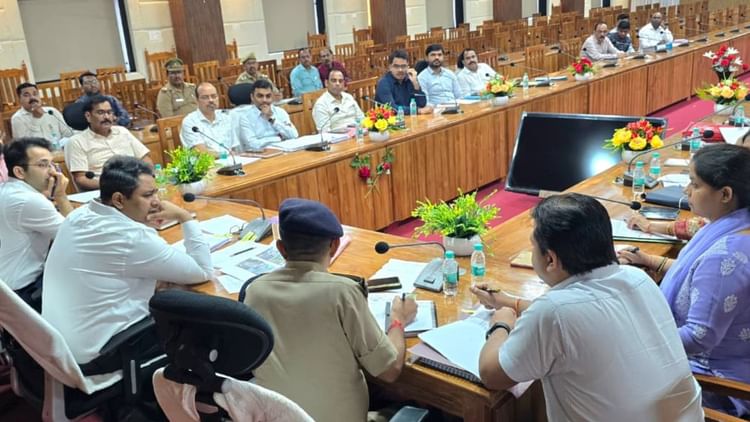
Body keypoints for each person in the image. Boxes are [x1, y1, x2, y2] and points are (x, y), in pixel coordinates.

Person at [472, 193, 704, 422]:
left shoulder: (554, 312)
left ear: (550, 259)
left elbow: (492, 375)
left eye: (533, 246)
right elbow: (584, 313)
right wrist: (510, 302)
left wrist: (501, 325)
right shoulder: (638, 278)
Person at [241, 198, 417, 421]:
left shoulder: (254, 291)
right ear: (334, 245)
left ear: (281, 248)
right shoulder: (342, 292)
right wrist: (398, 320)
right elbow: (389, 370)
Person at [42, 155, 214, 364]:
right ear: (118, 200)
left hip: (61, 348)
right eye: (148, 195)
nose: (157, 201)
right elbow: (203, 271)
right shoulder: (131, 237)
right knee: (205, 321)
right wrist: (184, 217)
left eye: (156, 192)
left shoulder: (79, 215)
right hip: (104, 353)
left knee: (169, 290)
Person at [618, 144, 750, 417]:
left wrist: (635, 340)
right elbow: (702, 279)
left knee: (601, 369)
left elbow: (699, 336)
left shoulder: (724, 255)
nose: (686, 191)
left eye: (695, 184)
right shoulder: (737, 227)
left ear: (725, 194)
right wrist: (650, 260)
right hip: (734, 359)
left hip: (715, 380)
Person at [0, 138, 72, 311]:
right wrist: (61, 196)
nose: (52, 172)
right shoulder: (28, 200)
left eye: (52, 164)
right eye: (43, 165)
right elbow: (75, 237)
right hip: (24, 291)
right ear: (19, 172)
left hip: (7, 284)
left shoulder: (7, 189)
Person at [65, 95, 152, 191]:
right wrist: (113, 185)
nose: (106, 117)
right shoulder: (76, 142)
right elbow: (81, 179)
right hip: (104, 190)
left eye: (109, 112)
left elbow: (145, 158)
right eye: (100, 112)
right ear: (88, 116)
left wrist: (146, 177)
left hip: (135, 185)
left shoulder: (122, 131)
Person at [238, 79, 298, 151]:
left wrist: (271, 119)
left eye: (268, 96)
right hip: (262, 154)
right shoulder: (245, 117)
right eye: (260, 96)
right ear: (252, 97)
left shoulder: (280, 112)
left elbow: (294, 135)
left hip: (284, 151)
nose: (264, 100)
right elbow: (253, 145)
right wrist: (278, 138)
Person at [180, 82, 238, 157]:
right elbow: (201, 153)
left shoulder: (226, 117)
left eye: (214, 96)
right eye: (205, 97)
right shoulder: (190, 122)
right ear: (197, 100)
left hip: (231, 160)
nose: (211, 100)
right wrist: (225, 155)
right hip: (207, 163)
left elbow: (234, 147)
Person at [10, 83, 73, 148]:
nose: (32, 97)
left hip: (60, 150)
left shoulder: (51, 111)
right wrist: (36, 118)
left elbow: (68, 133)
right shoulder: (17, 118)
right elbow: (23, 145)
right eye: (26, 95)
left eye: (35, 94)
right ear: (19, 99)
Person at [374, 49, 431, 115]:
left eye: (403, 66)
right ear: (390, 67)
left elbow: (422, 104)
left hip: (409, 118)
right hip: (391, 120)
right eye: (396, 66)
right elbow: (392, 108)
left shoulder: (410, 79)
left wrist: (416, 84)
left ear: (408, 67)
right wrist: (417, 110)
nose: (400, 70)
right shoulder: (383, 83)